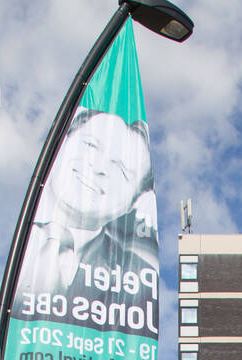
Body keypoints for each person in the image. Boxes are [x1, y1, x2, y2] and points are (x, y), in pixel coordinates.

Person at [16, 108, 159, 302]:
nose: (99, 167)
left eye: (121, 170)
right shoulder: (13, 237)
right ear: (62, 143)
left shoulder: (138, 282)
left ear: (134, 202)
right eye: (91, 145)